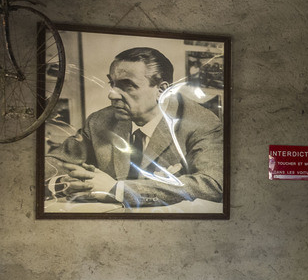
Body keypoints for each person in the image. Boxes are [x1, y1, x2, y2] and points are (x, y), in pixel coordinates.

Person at [45, 46, 224, 207]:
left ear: (162, 90)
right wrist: (65, 181)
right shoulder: (100, 120)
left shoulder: (202, 123)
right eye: (112, 84)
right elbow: (55, 163)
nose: (112, 94)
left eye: (127, 86)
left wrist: (117, 189)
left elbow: (212, 185)